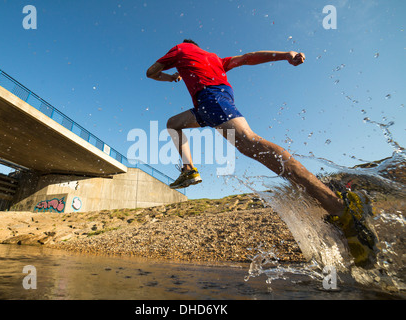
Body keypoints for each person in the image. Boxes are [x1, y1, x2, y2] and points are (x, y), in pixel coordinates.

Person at [146, 40, 377, 266]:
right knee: (174, 123)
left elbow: (150, 72)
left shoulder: (180, 49)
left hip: (211, 97)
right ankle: (189, 169)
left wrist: (170, 77)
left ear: (186, 45)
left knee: (250, 143)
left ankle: (338, 207)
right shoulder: (214, 57)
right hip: (212, 101)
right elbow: (247, 58)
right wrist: (286, 54)